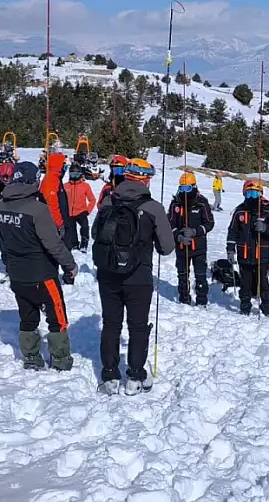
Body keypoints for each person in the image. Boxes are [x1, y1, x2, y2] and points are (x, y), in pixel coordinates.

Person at [92, 158, 174, 394]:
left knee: (111, 324)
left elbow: (96, 233)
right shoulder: (153, 207)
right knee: (137, 326)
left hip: (108, 273)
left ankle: (109, 374)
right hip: (138, 275)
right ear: (145, 179)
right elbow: (166, 247)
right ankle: (136, 375)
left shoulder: (108, 200)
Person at [0, 162, 78, 371]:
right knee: (57, 317)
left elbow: (3, 243)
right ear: (34, 180)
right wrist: (70, 266)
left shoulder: (0, 207)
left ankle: (31, 357)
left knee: (27, 317)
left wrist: (9, 265)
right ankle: (60, 360)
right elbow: (53, 244)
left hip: (17, 274)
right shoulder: (38, 210)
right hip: (42, 274)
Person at [226, 179, 269, 316]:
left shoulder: (267, 211)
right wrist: (230, 249)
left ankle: (266, 308)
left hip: (261, 255)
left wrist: (265, 228)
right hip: (244, 254)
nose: (252, 197)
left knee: (263, 283)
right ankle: (245, 307)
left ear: (260, 194)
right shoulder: (239, 211)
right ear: (244, 194)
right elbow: (232, 231)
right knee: (245, 283)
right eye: (249, 194)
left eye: (255, 194)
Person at [168, 171, 215, 306]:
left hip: (199, 247)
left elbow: (210, 223)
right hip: (182, 247)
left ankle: (201, 301)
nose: (184, 191)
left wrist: (195, 231)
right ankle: (184, 300)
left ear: (194, 187)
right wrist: (178, 236)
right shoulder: (176, 204)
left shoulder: (201, 203)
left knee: (200, 276)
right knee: (182, 276)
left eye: (187, 188)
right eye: (182, 188)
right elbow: (170, 223)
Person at [64, 164, 97, 251]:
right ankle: (74, 244)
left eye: (76, 174)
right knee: (71, 230)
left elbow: (92, 200)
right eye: (72, 174)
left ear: (80, 174)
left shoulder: (85, 186)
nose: (74, 176)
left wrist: (87, 211)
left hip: (81, 212)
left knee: (85, 227)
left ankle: (84, 244)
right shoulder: (65, 186)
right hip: (69, 213)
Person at [41, 152, 70, 242]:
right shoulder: (51, 180)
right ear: (58, 165)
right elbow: (52, 205)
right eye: (63, 165)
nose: (65, 168)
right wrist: (59, 224)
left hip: (56, 223)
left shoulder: (56, 178)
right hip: (52, 225)